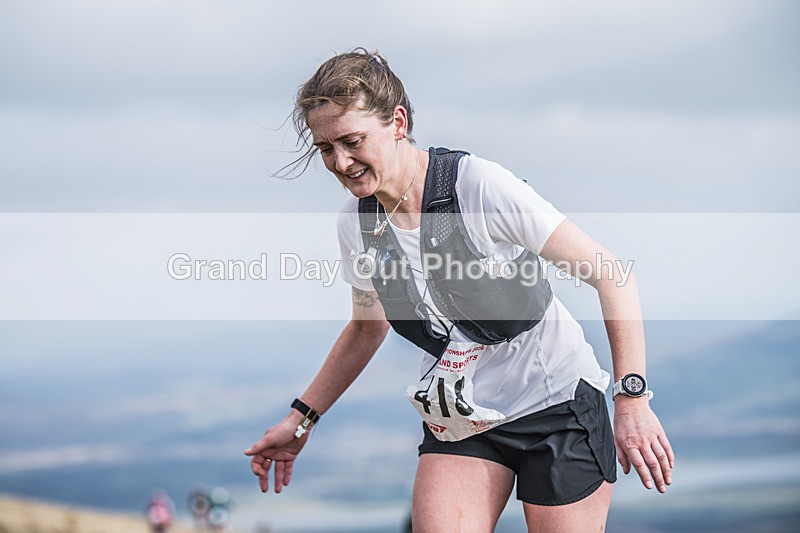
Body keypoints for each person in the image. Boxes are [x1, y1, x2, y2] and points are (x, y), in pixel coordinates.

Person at [245, 48, 674, 532]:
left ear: (398, 122)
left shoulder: (478, 187)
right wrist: (302, 419)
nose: (341, 162)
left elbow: (611, 273)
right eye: (325, 148)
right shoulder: (358, 225)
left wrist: (632, 399)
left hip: (558, 406)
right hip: (462, 418)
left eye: (352, 140)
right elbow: (367, 329)